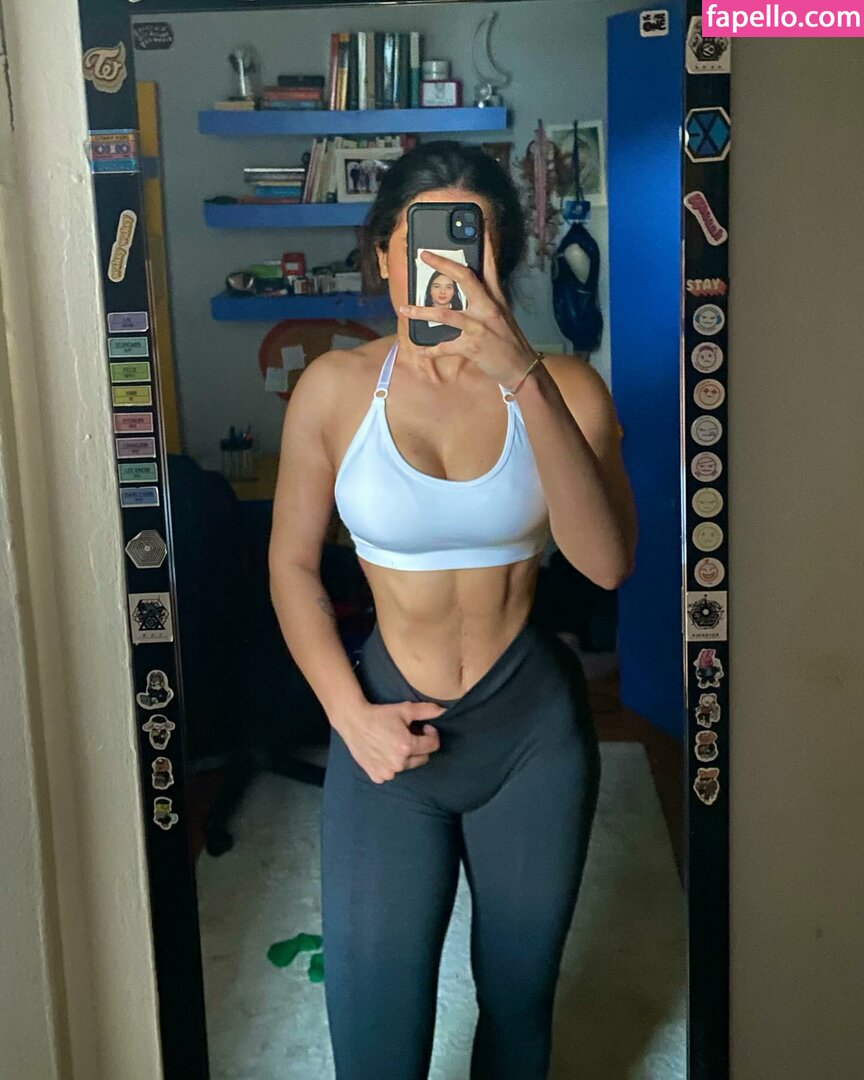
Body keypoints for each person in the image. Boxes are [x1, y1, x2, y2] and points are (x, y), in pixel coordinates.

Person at [268, 139, 637, 1080]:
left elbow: (605, 566)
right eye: (419, 246)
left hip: (531, 736)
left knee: (518, 1009)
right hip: (384, 732)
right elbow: (292, 567)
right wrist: (349, 717)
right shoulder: (334, 391)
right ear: (383, 256)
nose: (441, 271)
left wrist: (523, 376)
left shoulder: (569, 389)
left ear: (499, 256)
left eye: (466, 245)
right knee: (375, 1032)